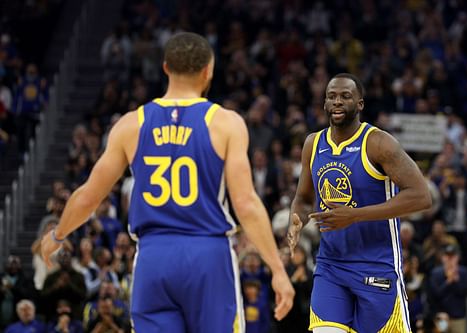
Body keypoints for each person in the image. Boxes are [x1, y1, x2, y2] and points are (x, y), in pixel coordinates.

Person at [41, 32, 294, 333]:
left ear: (165, 68)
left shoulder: (131, 124)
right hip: (208, 255)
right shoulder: (226, 123)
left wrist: (57, 235)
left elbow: (87, 197)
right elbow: (246, 203)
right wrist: (277, 269)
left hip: (153, 257)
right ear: (208, 71)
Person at [287, 73, 431, 333]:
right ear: (324, 103)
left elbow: (421, 196)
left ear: (360, 104)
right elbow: (303, 197)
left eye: (345, 96)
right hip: (331, 264)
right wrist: (295, 219)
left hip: (377, 264)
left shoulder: (378, 143)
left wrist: (356, 215)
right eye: (331, 96)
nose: (337, 102)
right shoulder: (313, 143)